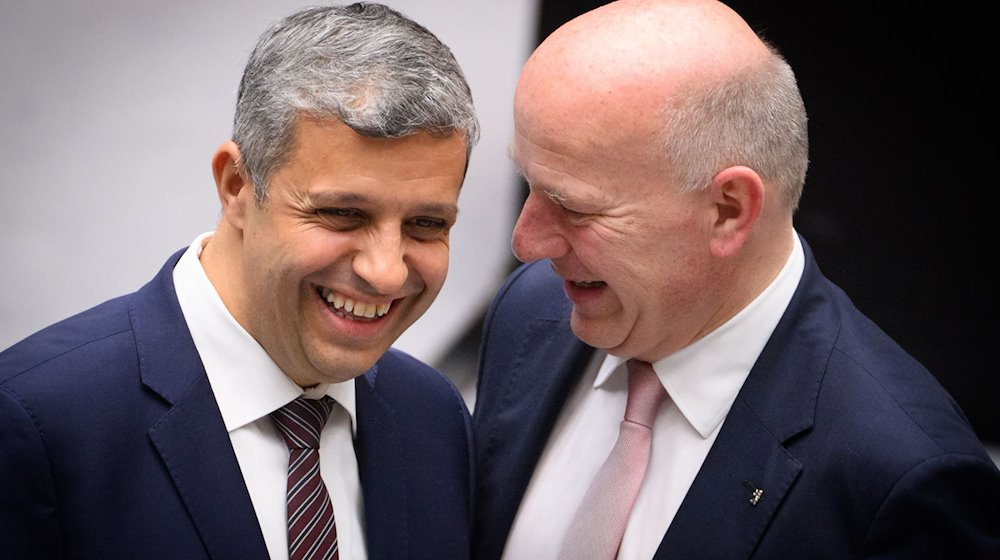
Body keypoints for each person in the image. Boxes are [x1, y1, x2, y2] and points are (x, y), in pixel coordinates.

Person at [471, 0, 1000, 558]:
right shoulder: (532, 311)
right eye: (528, 183)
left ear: (728, 209)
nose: (526, 243)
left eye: (574, 207)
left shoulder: (900, 480)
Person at [0, 3, 479, 559]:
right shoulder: (38, 423)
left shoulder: (434, 420)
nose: (386, 270)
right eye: (343, 214)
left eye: (427, 224)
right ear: (235, 187)